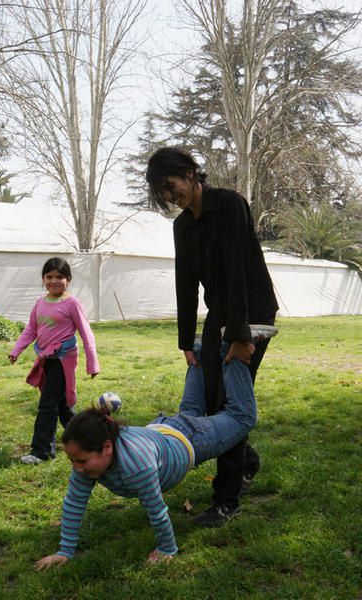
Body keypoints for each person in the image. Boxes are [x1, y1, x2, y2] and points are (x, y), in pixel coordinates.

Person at [146, 147, 279, 527]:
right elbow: (185, 283)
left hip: (253, 313)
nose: (171, 198)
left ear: (190, 173)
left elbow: (238, 270)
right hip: (219, 313)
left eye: (171, 186)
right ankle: (247, 462)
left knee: (229, 406)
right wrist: (186, 341)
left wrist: (240, 337)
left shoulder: (231, 205)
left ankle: (226, 501)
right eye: (163, 194)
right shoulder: (182, 226)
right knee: (207, 399)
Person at [35, 351, 257, 570]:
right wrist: (65, 551)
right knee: (190, 410)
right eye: (72, 460)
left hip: (191, 438)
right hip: (164, 430)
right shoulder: (87, 462)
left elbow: (156, 509)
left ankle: (234, 353)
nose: (77, 468)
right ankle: (199, 352)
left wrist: (167, 548)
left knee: (242, 418)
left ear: (107, 447)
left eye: (81, 461)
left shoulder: (136, 466)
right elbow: (74, 503)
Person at [9, 257, 100, 465]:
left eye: (59, 277)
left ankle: (41, 451)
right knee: (63, 406)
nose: (54, 281)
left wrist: (92, 363)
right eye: (49, 277)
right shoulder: (40, 302)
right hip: (45, 359)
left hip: (63, 360)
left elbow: (86, 333)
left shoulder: (72, 303)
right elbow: (31, 329)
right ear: (43, 279)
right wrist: (16, 350)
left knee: (47, 404)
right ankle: (87, 441)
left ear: (68, 279)